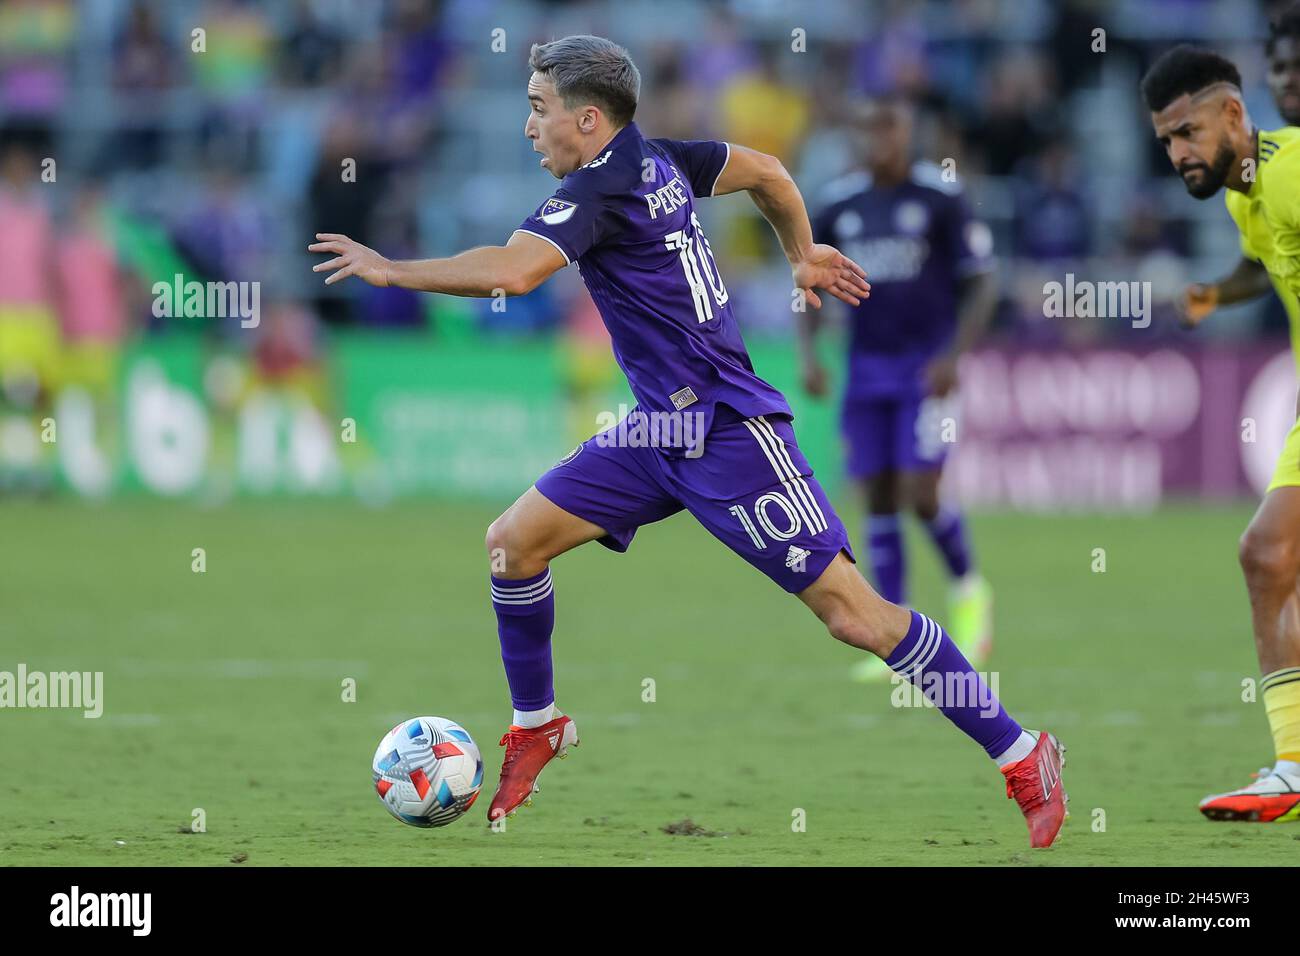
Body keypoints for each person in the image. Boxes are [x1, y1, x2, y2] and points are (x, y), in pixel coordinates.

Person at [312, 35, 1067, 847]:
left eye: (539, 109)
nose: (529, 127)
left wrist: (391, 271)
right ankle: (538, 724)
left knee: (856, 616)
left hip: (729, 431)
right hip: (659, 429)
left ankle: (1024, 752)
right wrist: (801, 254)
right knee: (513, 545)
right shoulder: (663, 156)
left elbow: (511, 272)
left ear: (589, 118)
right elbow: (771, 174)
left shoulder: (600, 188)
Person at [1142, 44, 1300, 822]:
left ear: (1233, 115)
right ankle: (1294, 768)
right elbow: (1263, 264)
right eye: (1167, 142)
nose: (1178, 154)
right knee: (1267, 557)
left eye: (1186, 132)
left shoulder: (1294, 171)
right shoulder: (1244, 192)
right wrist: (1215, 293)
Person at [803, 97, 998, 683]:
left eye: (888, 125)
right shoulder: (841, 204)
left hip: (924, 372)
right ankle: (894, 631)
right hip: (866, 370)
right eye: (868, 127)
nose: (879, 137)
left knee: (921, 489)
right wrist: (812, 352)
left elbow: (983, 282)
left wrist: (953, 356)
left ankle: (969, 591)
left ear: (907, 131)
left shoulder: (939, 196)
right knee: (879, 494)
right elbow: (809, 277)